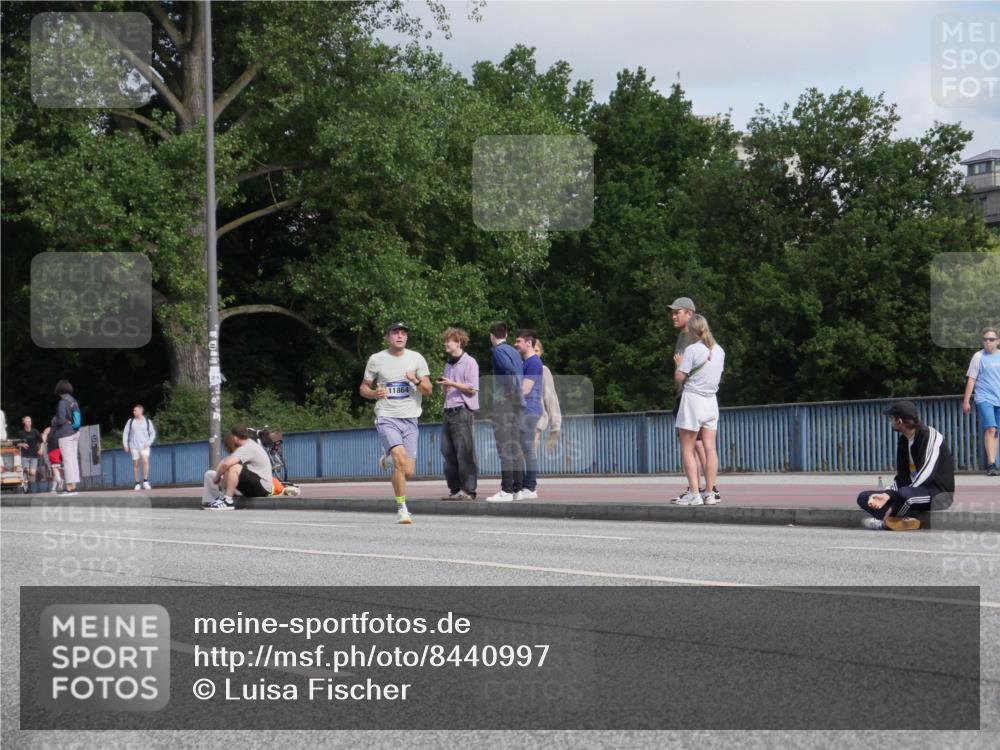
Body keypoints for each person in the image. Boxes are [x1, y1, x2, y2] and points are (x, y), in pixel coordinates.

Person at [360, 322, 432, 524]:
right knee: (400, 459)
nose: (400, 336)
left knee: (407, 470)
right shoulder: (376, 359)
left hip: (410, 418)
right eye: (395, 333)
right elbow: (363, 388)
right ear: (387, 337)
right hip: (386, 416)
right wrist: (374, 393)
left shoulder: (416, 358)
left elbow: (428, 390)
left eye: (403, 333)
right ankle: (402, 508)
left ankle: (388, 457)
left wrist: (416, 381)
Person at [856, 401, 955, 531]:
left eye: (891, 418)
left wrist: (895, 495)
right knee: (865, 497)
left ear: (899, 421)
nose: (890, 421)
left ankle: (885, 521)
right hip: (911, 491)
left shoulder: (930, 435)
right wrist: (888, 494)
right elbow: (902, 476)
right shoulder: (903, 440)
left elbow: (926, 474)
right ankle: (903, 520)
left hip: (938, 494)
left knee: (904, 495)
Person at [671, 315, 725, 506]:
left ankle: (694, 494)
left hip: (693, 400)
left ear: (693, 331)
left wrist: (678, 364)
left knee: (687, 449)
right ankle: (709, 493)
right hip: (712, 402)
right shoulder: (720, 351)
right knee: (710, 449)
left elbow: (680, 377)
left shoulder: (692, 350)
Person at [437, 327, 479, 501]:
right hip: (448, 410)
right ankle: (454, 489)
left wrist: (452, 384)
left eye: (449, 341)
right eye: (445, 340)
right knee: (448, 453)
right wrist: (444, 387)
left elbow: (472, 388)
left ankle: (468, 490)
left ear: (459, 342)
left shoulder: (470, 362)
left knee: (464, 453)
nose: (446, 343)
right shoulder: (449, 363)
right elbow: (446, 389)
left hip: (462, 411)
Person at [486, 321, 525, 503]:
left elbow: (508, 371)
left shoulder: (498, 351)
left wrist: (509, 391)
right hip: (517, 404)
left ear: (492, 336)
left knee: (505, 447)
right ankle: (517, 488)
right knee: (515, 445)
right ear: (506, 334)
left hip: (504, 403)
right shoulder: (515, 352)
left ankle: (506, 490)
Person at [202, 425, 275, 510]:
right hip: (253, 485)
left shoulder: (248, 447)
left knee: (234, 467)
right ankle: (210, 502)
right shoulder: (246, 446)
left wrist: (217, 477)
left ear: (235, 438)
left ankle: (227, 501)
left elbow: (227, 464)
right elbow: (225, 462)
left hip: (263, 487)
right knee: (210, 474)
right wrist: (217, 476)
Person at [963, 326, 1000, 476]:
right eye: (985, 339)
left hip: (999, 397)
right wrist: (966, 401)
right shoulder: (978, 357)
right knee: (990, 428)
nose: (988, 342)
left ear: (998, 341)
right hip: (984, 397)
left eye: (991, 339)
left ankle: (994, 463)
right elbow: (971, 380)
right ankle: (991, 464)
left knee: (996, 431)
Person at [513, 329, 544, 500]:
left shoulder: (533, 362)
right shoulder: (526, 362)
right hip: (524, 411)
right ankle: (525, 485)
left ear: (529, 343)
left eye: (518, 341)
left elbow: (525, 389)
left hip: (529, 411)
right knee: (521, 449)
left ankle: (530, 487)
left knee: (528, 450)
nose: (516, 344)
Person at [533, 339, 562, 457]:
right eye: (532, 350)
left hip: (537, 418)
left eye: (537, 350)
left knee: (530, 452)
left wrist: (555, 424)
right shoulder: (520, 367)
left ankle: (530, 475)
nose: (534, 353)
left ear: (541, 352)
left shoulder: (543, 370)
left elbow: (550, 397)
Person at [52, 379, 81, 496]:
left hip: (65, 434)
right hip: (75, 432)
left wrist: (55, 420)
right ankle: (74, 486)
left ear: (59, 390)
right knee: (73, 460)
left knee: (68, 461)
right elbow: (76, 418)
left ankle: (69, 488)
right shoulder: (74, 401)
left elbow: (60, 419)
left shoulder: (62, 402)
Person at [122, 404, 157, 490]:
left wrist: (148, 443)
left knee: (145, 460)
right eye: (133, 411)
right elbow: (125, 433)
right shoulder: (130, 421)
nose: (133, 412)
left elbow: (152, 433)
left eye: (135, 410)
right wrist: (125, 445)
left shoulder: (147, 421)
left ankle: (145, 481)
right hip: (134, 446)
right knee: (136, 464)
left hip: (145, 446)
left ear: (141, 411)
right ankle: (137, 483)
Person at [14, 416, 42, 493]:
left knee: (32, 473)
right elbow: (16, 444)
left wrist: (41, 449)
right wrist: (22, 445)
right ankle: (29, 487)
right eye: (27, 421)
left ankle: (31, 483)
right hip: (24, 455)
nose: (29, 423)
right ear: (24, 423)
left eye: (30, 421)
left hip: (34, 455)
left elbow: (41, 441)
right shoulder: (21, 433)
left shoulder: (35, 432)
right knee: (26, 470)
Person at [43, 420, 64, 493]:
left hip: (53, 450)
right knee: (58, 468)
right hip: (61, 449)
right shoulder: (61, 429)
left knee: (55, 467)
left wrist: (44, 440)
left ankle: (59, 481)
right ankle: (54, 487)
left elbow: (44, 436)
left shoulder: (49, 429)